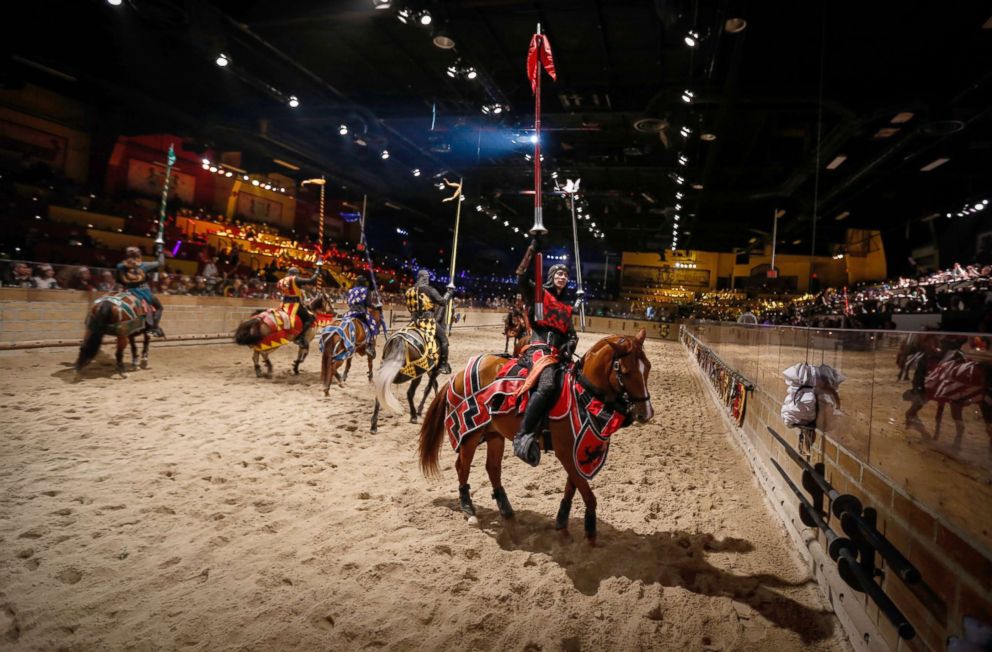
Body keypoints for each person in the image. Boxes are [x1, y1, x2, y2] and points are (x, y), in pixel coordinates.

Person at [511, 239, 579, 466]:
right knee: (548, 384)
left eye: (565, 275)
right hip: (537, 347)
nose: (563, 277)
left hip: (557, 353)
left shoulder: (566, 308)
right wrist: (532, 249)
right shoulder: (538, 293)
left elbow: (571, 334)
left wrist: (570, 343)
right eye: (559, 274)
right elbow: (520, 276)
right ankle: (523, 434)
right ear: (551, 276)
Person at [406, 269, 453, 374]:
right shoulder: (429, 290)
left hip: (413, 322)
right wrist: (449, 292)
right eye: (427, 277)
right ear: (425, 278)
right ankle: (443, 365)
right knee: (444, 340)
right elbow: (443, 302)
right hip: (427, 322)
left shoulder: (409, 291)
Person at [116, 246, 165, 337]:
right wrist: (160, 252)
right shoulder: (144, 265)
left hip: (129, 291)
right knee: (159, 307)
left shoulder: (121, 266)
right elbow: (160, 263)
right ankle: (154, 328)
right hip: (143, 292)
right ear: (139, 255)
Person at [277, 266, 320, 344]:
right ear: (295, 274)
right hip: (294, 305)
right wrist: (317, 271)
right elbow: (311, 280)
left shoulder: (281, 281)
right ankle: (301, 337)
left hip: (283, 305)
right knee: (310, 318)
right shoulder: (295, 279)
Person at [345, 274, 381, 358]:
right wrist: (375, 306)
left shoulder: (351, 290)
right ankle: (369, 345)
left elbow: (348, 302)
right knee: (372, 325)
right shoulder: (366, 290)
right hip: (361, 312)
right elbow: (368, 304)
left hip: (350, 312)